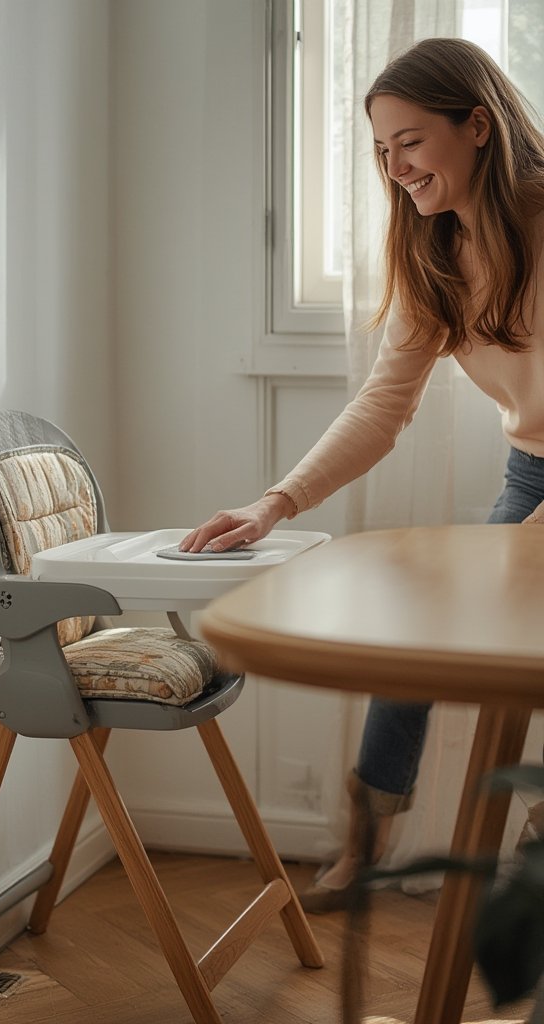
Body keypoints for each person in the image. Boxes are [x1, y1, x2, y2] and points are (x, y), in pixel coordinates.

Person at [180, 36, 544, 913]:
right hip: (532, 474)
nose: (396, 168)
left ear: (479, 127)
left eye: (411, 142)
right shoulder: (435, 257)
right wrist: (275, 503)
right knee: (416, 638)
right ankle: (370, 843)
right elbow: (384, 406)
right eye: (382, 151)